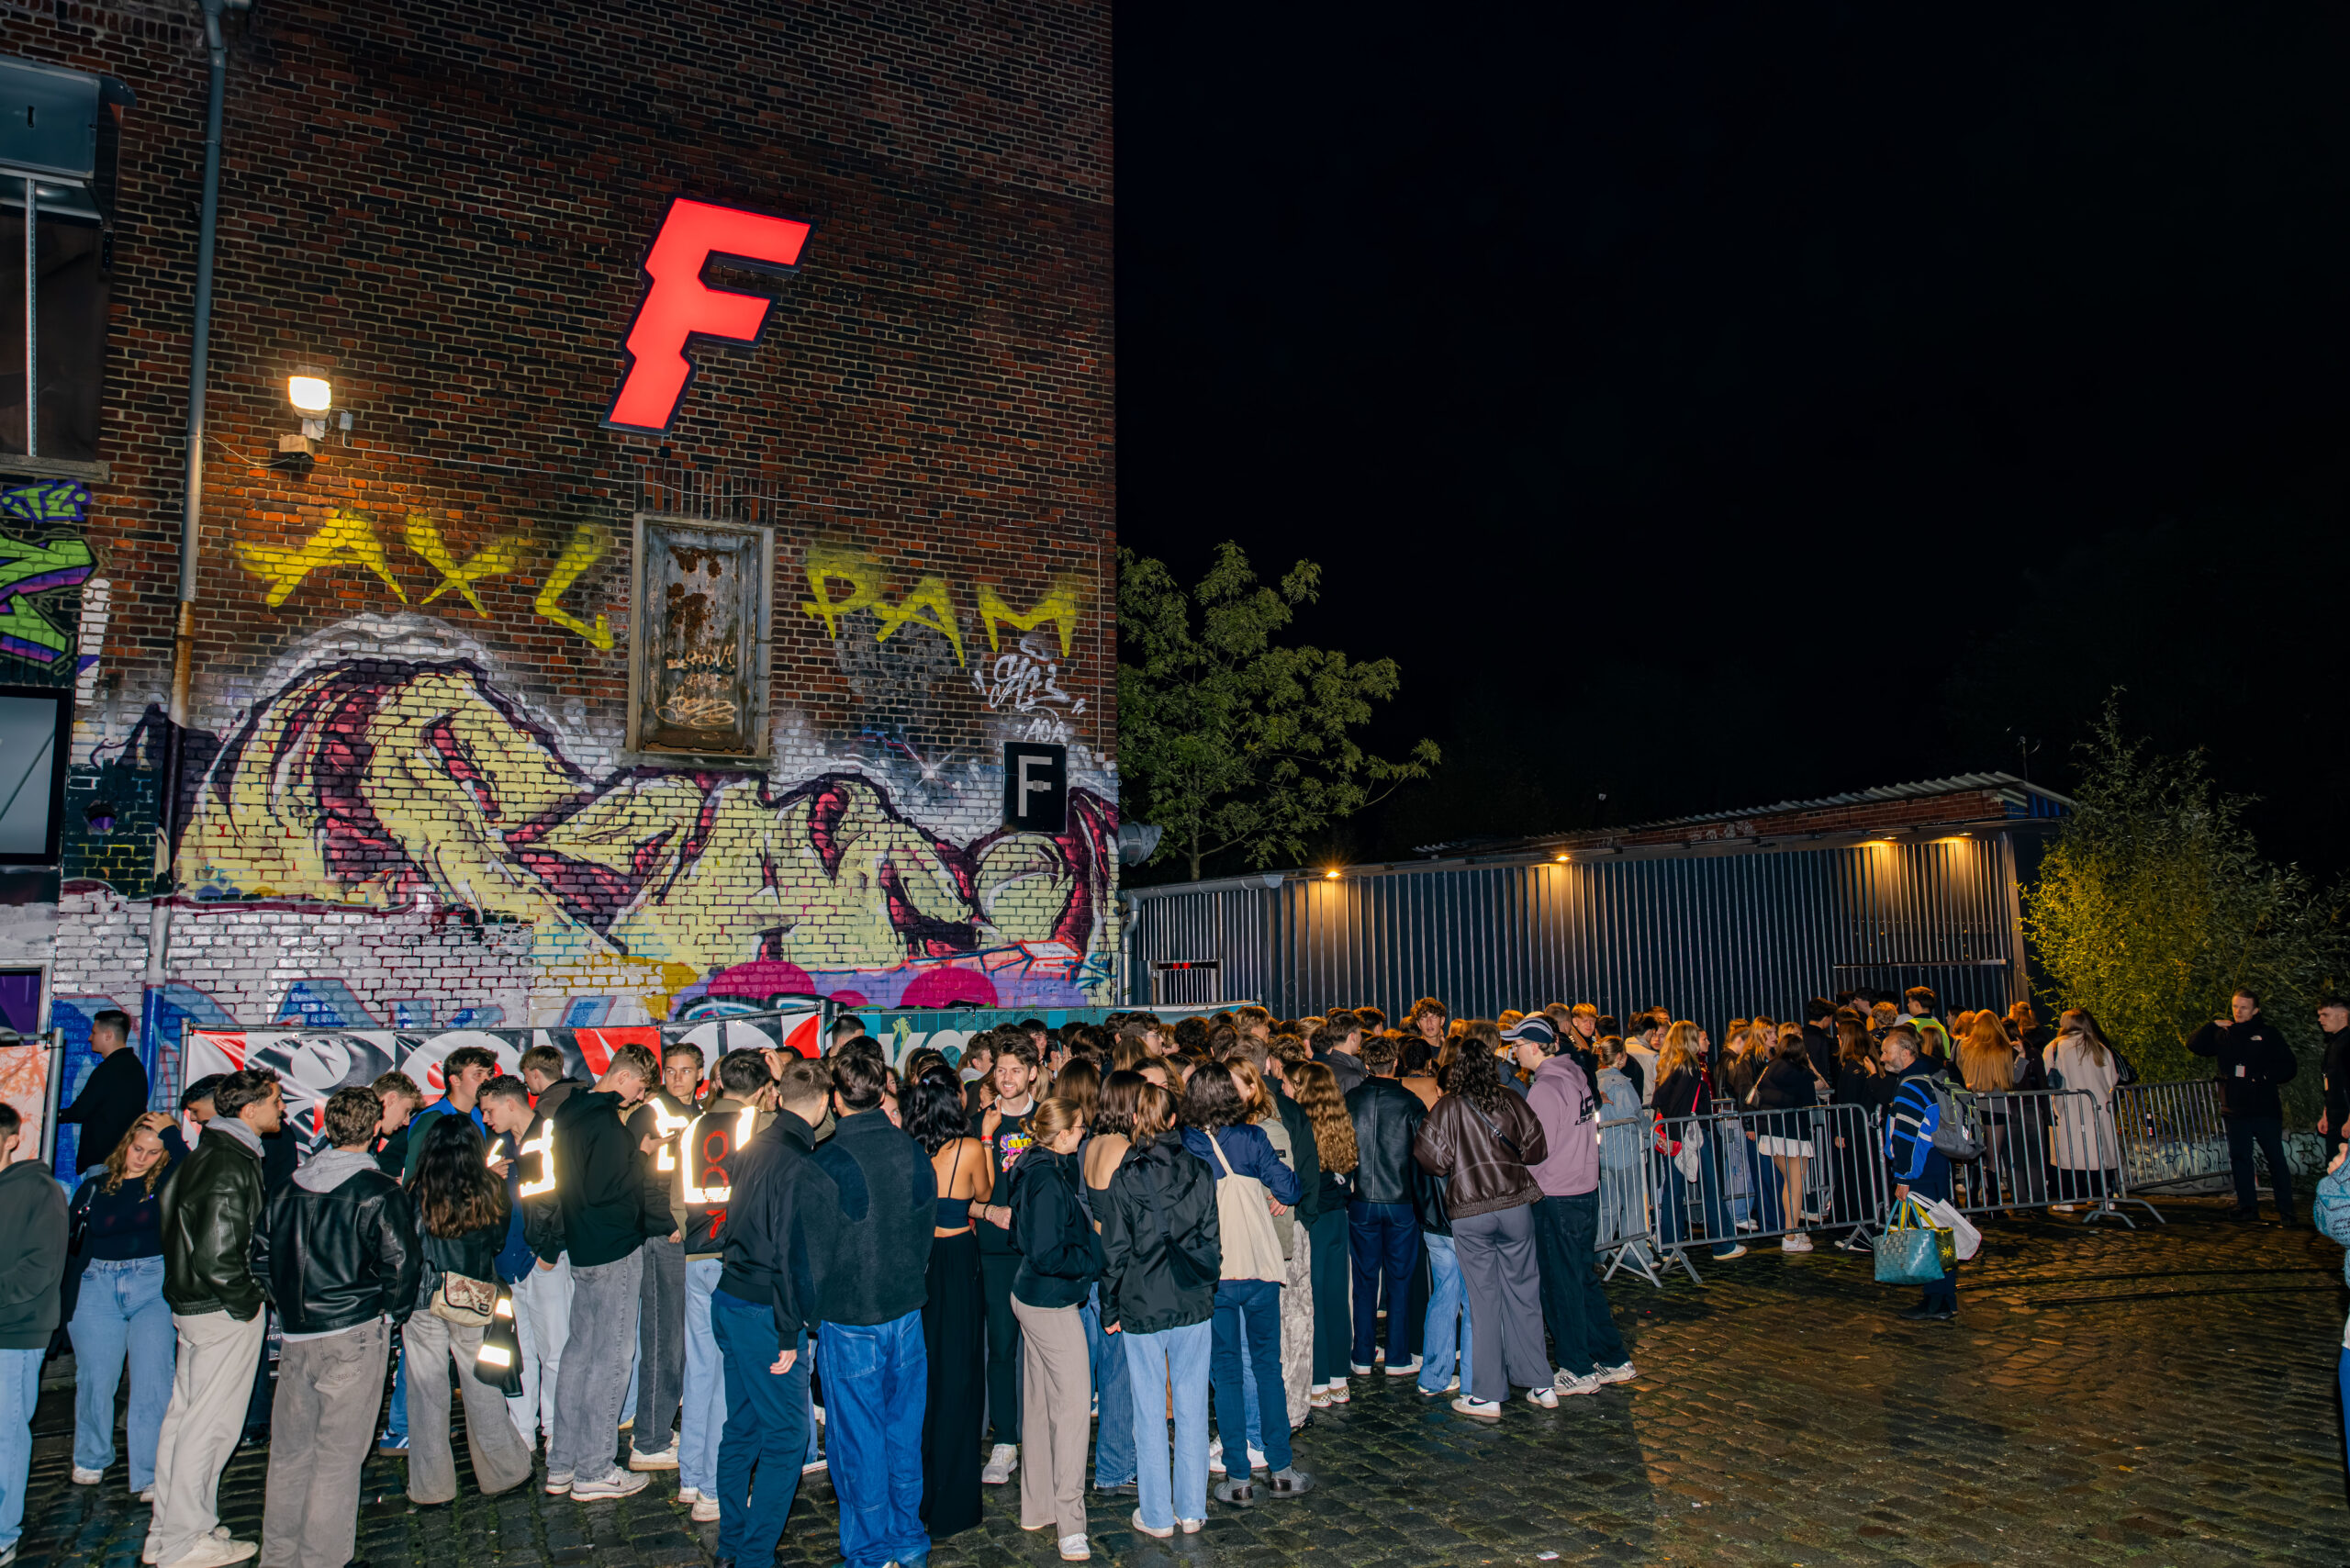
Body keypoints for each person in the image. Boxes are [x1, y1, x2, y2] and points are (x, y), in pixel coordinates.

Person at [254, 1085, 420, 1568]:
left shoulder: (287, 1187)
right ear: (375, 1128)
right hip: (354, 1329)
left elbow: (260, 1257)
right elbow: (402, 1262)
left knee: (290, 1453)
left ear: (327, 1128)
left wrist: (288, 1303)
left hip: (298, 1334)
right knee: (337, 1456)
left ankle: (279, 1558)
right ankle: (323, 1560)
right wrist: (390, 1312)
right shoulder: (379, 1189)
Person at [711, 1055, 841, 1568]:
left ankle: (732, 1546)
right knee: (787, 1437)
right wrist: (790, 1332)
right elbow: (787, 1252)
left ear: (779, 1096)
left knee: (743, 1427)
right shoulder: (797, 1161)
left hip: (731, 1296)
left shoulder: (755, 1145)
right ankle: (753, 1556)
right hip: (763, 1310)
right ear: (825, 1103)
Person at [810, 1041, 934, 1568]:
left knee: (859, 1440)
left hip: (851, 1316)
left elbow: (814, 1250)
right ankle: (907, 1538)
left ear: (836, 1098)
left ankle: (870, 1550)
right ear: (883, 1092)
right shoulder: (913, 1150)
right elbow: (925, 1232)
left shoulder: (828, 1160)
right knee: (902, 1434)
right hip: (905, 1309)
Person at [151, 1067, 282, 1568]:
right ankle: (185, 1540)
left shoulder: (214, 1150)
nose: (282, 1109)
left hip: (197, 1305)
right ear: (249, 1110)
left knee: (185, 1421)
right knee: (209, 1427)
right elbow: (218, 1252)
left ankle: (169, 1532)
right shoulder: (228, 1159)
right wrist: (248, 1302)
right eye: (275, 1101)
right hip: (219, 1309)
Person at [1181, 1062, 1310, 1506]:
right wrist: (1273, 1192)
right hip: (1259, 1268)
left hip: (1215, 1272)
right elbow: (1290, 1189)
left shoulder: (1187, 1144)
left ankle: (1237, 1476)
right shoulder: (1253, 1138)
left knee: (1227, 1372)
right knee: (1268, 1368)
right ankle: (1281, 1469)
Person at [1099, 1081, 1219, 1539]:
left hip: (1143, 1300)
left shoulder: (1126, 1177)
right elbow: (1211, 1239)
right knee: (1191, 1407)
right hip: (1191, 1298)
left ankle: (1156, 1514)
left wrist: (1109, 1306)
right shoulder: (1200, 1169)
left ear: (1135, 1119)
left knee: (1148, 1411)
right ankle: (1191, 1509)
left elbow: (1114, 1252)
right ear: (1173, 1119)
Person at [543, 1041, 660, 1501]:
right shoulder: (607, 1123)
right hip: (613, 1248)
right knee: (611, 1357)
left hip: (583, 1246)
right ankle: (595, 1468)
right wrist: (642, 1154)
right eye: (641, 1086)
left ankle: (563, 1463)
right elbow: (607, 1187)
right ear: (624, 1076)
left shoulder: (569, 1113)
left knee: (578, 1354)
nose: (640, 1096)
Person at [403, 1112, 536, 1506]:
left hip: (423, 1297)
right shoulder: (488, 1189)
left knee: (426, 1392)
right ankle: (503, 1473)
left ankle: (431, 1488)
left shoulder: (414, 1192)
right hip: (472, 1295)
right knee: (482, 1384)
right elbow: (496, 1241)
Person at [1413, 1037, 1550, 1417]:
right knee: (1525, 1294)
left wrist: (1456, 1159)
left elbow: (1429, 1158)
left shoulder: (1448, 1107)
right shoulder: (1512, 1099)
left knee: (1483, 1300)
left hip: (1471, 1209)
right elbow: (1537, 1148)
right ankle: (1542, 1383)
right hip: (1514, 1204)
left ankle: (1488, 1394)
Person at [672, 1050, 776, 1522]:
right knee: (729, 1379)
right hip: (735, 1260)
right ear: (761, 1090)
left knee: (699, 1370)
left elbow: (678, 1198)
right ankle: (713, 1489)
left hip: (696, 1255)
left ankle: (690, 1476)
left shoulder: (693, 1127)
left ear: (717, 1083)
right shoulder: (757, 1124)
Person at [1516, 1018, 1635, 1397]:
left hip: (1556, 1195)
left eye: (1517, 1045)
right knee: (1582, 1279)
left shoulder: (1545, 1089)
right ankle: (1612, 1357)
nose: (1514, 1052)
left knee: (1560, 1284)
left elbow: (1535, 1149)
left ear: (1535, 1047)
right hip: (1583, 1189)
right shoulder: (1577, 1075)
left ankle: (1577, 1367)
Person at [1006, 1097, 1102, 1561]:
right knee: (1073, 1410)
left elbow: (1021, 1236)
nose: (1084, 1133)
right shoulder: (1046, 1177)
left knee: (1041, 1404)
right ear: (1062, 1134)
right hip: (1049, 1302)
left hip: (1033, 1295)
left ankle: (1038, 1506)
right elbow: (1046, 1251)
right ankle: (1070, 1524)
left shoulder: (1039, 1165)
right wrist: (1091, 1260)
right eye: (1080, 1128)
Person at [66, 1114, 176, 1496]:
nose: (142, 1157)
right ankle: (91, 1455)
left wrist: (171, 1135)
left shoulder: (167, 1184)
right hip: (97, 1284)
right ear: (126, 1144)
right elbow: (72, 1243)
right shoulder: (94, 1187)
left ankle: (149, 1472)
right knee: (95, 1378)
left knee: (153, 1380)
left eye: (153, 1152)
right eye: (137, 1148)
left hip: (152, 1283)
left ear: (164, 1156)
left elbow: (192, 1169)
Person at [907, 1065, 989, 1539]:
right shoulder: (969, 1148)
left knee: (924, 1376)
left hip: (920, 1259)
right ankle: (953, 1500)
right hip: (957, 1259)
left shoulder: (910, 1146)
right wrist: (987, 1138)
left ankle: (919, 1493)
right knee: (959, 1374)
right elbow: (984, 1192)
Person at [626, 1043, 703, 1475]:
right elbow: (640, 1179)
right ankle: (650, 1441)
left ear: (699, 1074)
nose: (677, 1078)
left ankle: (656, 1427)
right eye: (671, 1070)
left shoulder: (699, 1112)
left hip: (686, 1235)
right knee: (663, 1342)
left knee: (677, 1340)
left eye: (685, 1070)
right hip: (663, 1237)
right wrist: (668, 1222)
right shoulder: (650, 1113)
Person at [0, 1100, 68, 1568]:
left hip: (15, 1331)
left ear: (12, 1141)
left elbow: (41, 1267)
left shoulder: (39, 1189)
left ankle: (3, 1531)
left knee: (5, 1433)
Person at [511, 1044, 586, 1456]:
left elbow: (555, 1194)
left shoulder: (545, 1121)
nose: (487, 1119)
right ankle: (543, 1428)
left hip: (545, 1254)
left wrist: (549, 1251)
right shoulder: (582, 1099)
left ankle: (553, 1429)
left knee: (551, 1347)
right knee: (538, 1347)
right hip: (536, 1254)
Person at [974, 1032, 1041, 1484]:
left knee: (1043, 1348)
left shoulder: (1048, 1120)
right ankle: (1005, 1440)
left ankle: (1041, 1434)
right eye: (1000, 1069)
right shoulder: (979, 1123)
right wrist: (988, 1211)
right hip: (996, 1252)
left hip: (1039, 1251)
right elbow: (958, 1194)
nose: (1007, 1077)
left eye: (1016, 1069)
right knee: (1001, 1347)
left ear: (1033, 1073)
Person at [1343, 1035, 1424, 1378]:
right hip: (1401, 1201)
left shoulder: (1350, 1100)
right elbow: (1423, 1156)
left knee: (1364, 1280)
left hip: (1361, 1199)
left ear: (1366, 1064)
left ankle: (1362, 1355)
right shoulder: (1410, 1102)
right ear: (1395, 1063)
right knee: (1400, 1281)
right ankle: (1397, 1357)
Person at [2188, 988, 2301, 1224]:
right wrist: (2212, 1025)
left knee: (2275, 1159)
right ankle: (2247, 1207)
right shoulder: (2225, 1034)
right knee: (2240, 1159)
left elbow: (2289, 1067)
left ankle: (2287, 1210)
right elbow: (2194, 1045)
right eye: (2235, 1006)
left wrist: (2263, 1077)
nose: (2238, 1012)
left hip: (2264, 1109)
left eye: (2244, 1007)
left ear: (2255, 1010)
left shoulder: (2268, 1034)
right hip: (2235, 1109)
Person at [1281, 1059, 1355, 1407]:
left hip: (1317, 1220)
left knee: (1315, 1299)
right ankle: (1340, 1379)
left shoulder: (1300, 1123)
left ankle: (1320, 1380)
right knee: (1337, 1299)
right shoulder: (1339, 1120)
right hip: (1339, 1217)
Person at [1077, 1072, 1137, 1499]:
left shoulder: (1090, 1144)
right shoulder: (1127, 1151)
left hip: (1097, 1259)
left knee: (1099, 1366)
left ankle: (1104, 1462)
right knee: (1119, 1371)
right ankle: (1116, 1468)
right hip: (1121, 1264)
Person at [1881, 1025, 1956, 1321]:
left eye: (1886, 1051)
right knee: (1940, 1233)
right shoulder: (1931, 1075)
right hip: (1936, 1164)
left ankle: (1936, 1300)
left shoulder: (1911, 1085)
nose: (1883, 1057)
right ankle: (1944, 1297)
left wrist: (1903, 1177)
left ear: (1905, 1051)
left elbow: (1907, 1136)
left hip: (1921, 1170)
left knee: (1928, 1234)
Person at [1652, 1023, 1744, 1263]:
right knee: (1711, 1188)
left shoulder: (1667, 1065)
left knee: (1673, 1191)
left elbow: (1660, 1101)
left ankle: (1669, 1247)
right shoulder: (1690, 1066)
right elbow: (1684, 1104)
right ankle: (1723, 1244)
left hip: (1673, 1134)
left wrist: (1669, 1133)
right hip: (1692, 1133)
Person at [1751, 1028, 1826, 1252]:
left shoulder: (1768, 1068)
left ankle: (1791, 1229)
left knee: (1789, 1183)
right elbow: (1813, 1096)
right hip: (1794, 1133)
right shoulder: (1802, 1073)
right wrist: (1810, 1064)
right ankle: (1790, 1236)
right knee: (1795, 1185)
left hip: (1770, 1132)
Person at [2043, 1009, 2124, 1214]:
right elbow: (2113, 1078)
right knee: (2100, 1152)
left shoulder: (2056, 1047)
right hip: (2100, 1107)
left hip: (2071, 1108)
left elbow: (2047, 1075)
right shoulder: (2099, 1047)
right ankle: (2104, 1196)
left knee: (2070, 1154)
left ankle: (2069, 1199)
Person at [56, 1008, 144, 1175]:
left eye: (94, 1032)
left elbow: (80, 1111)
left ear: (108, 1035)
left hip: (104, 1161)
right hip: (122, 1157)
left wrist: (53, 1115)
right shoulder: (135, 1067)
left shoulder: (109, 1069)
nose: (90, 1038)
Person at [1829, 1009, 1886, 1249]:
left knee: (1859, 1181)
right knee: (1867, 1180)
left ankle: (1863, 1233)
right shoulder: (1869, 1065)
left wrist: (1840, 1131)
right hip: (1867, 1132)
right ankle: (1866, 1229)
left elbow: (1847, 1104)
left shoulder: (1852, 1069)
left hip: (1856, 1133)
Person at [403, 1044, 499, 1182]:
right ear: (455, 1080)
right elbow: (414, 1176)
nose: (487, 1080)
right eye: (478, 1074)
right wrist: (487, 1176)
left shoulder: (480, 1117)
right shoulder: (431, 1118)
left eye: (490, 1074)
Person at [370, 1072, 423, 1178]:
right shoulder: (356, 1133)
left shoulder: (369, 1137)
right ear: (392, 1099)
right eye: (406, 1111)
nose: (407, 1122)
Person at [2321, 997, 2350, 1163]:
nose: (2320, 1020)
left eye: (2325, 1015)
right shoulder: (2334, 1043)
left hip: (2345, 1116)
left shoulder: (2346, 1042)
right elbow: (2331, 1083)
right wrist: (2325, 1114)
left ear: (2343, 1015)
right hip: (2335, 1117)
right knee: (2334, 1165)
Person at [1312, 1014, 1369, 1097]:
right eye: (1360, 1033)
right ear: (1353, 1037)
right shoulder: (1353, 1077)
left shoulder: (1317, 1069)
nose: (1361, 1038)